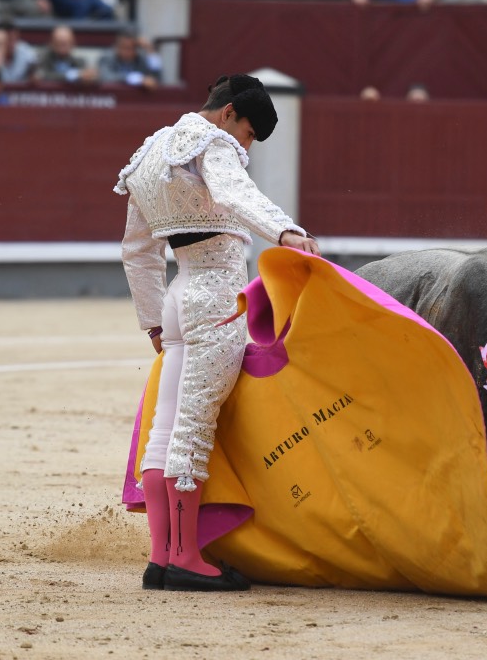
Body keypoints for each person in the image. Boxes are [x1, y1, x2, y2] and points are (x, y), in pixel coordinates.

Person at [114, 73, 321, 592]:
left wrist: (154, 319)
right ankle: (186, 558)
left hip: (177, 298)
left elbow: (138, 250)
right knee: (192, 428)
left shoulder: (149, 154)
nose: (245, 147)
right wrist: (285, 231)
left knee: (164, 430)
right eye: (248, 134)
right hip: (217, 300)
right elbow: (233, 191)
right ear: (229, 113)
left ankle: (161, 558)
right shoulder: (213, 141)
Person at [0, 19, 39, 83]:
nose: (11, 43)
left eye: (14, 38)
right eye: (7, 39)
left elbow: (36, 77)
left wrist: (33, 76)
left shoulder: (26, 50)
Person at [34, 25, 99, 84]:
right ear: (51, 43)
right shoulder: (43, 58)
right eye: (58, 43)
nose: (62, 47)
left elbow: (93, 77)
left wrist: (91, 76)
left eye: (65, 43)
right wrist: (74, 75)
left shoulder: (79, 61)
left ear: (73, 43)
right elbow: (43, 75)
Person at [98, 30, 162, 89]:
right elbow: (106, 77)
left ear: (136, 49)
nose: (126, 51)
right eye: (123, 47)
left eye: (130, 48)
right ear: (116, 47)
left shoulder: (141, 59)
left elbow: (156, 78)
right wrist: (137, 79)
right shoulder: (107, 58)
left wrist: (150, 50)